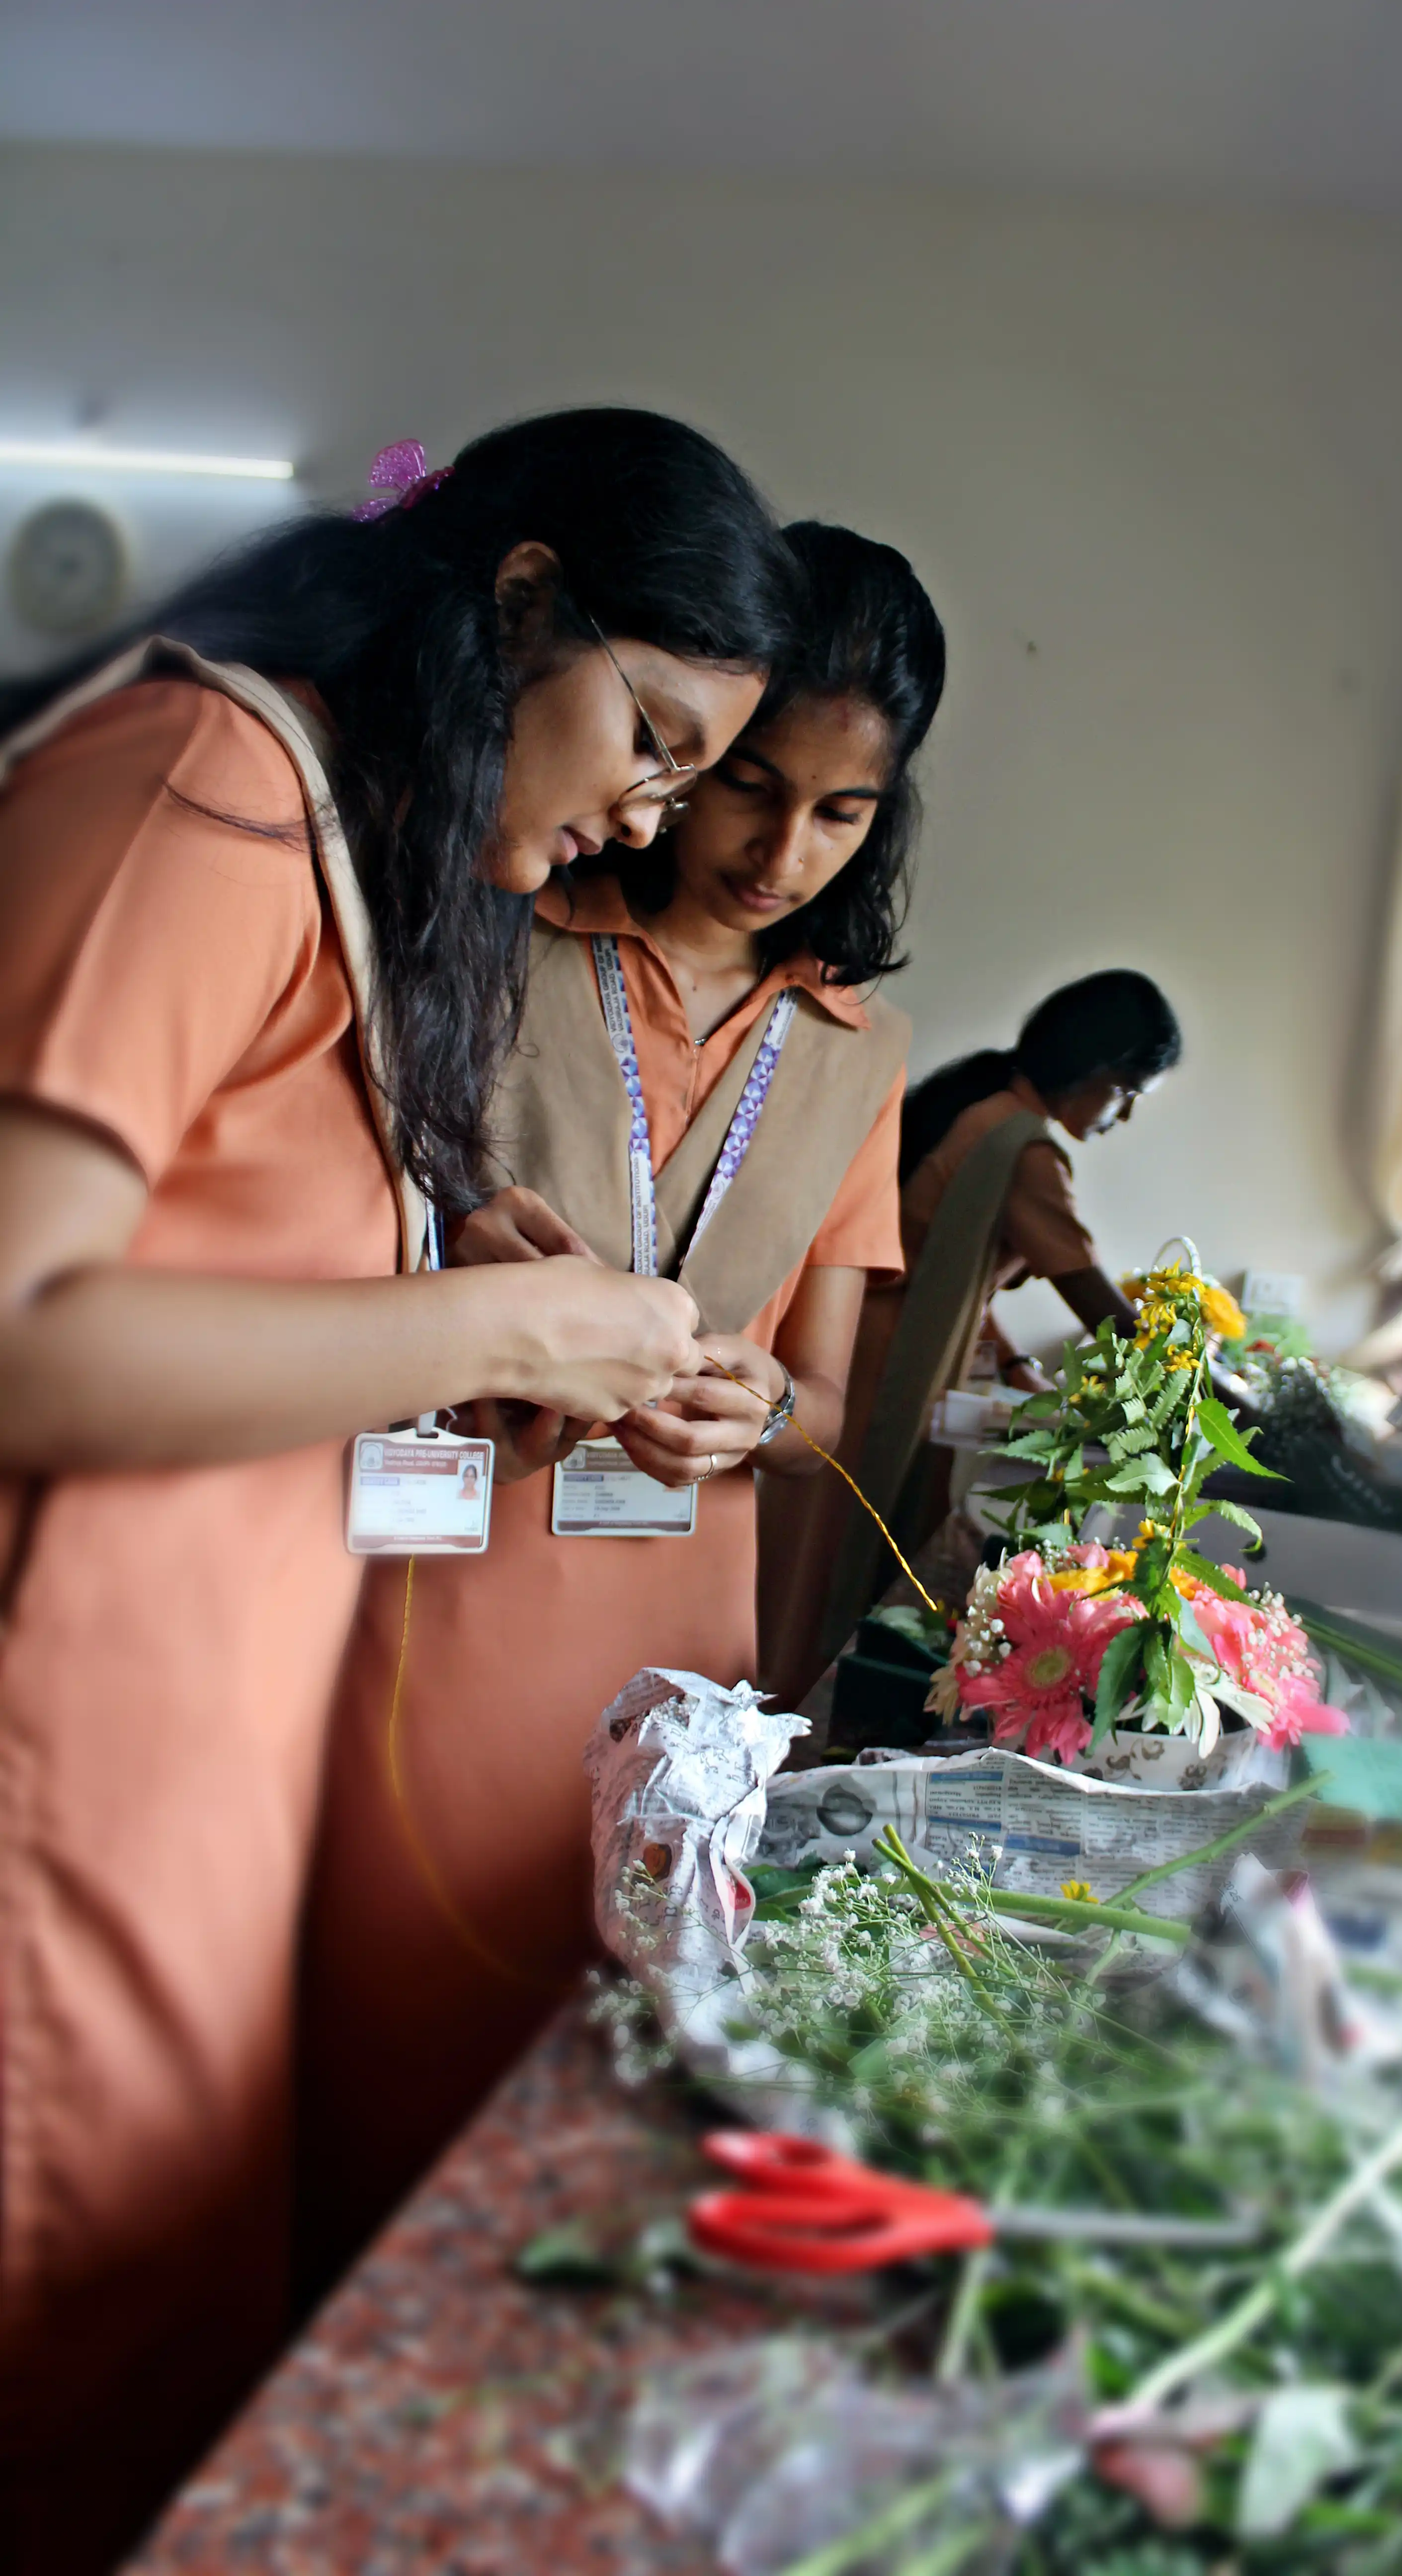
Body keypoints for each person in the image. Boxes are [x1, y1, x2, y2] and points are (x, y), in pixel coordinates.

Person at [0, 405, 800, 2572]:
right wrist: (504, 1336)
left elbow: (216, 1269)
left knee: (156, 2331)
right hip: (56, 1762)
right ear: (517, 599)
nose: (643, 817)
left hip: (190, 1769)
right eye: (647, 738)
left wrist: (466, 1269)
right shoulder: (213, 783)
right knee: (72, 2357)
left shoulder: (334, 855)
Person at [296, 522, 946, 2287]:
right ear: (680, 751)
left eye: (840, 813)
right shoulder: (499, 920)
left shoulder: (859, 1051)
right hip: (445, 1566)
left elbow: (820, 1400)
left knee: (623, 2016)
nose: (776, 848)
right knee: (399, 1982)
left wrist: (754, 1407)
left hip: (682, 1615)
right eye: (750, 784)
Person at [761, 970, 1182, 1697]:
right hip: (882, 1372)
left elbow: (947, 1274)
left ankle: (784, 1695)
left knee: (813, 1552)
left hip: (861, 1346)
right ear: (1095, 1068)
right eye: (1129, 1092)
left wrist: (1017, 1363)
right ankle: (798, 1711)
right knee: (840, 1559)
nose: (1126, 1115)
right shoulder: (1024, 1150)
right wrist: (1194, 1379)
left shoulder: (985, 1109)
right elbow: (1100, 1305)